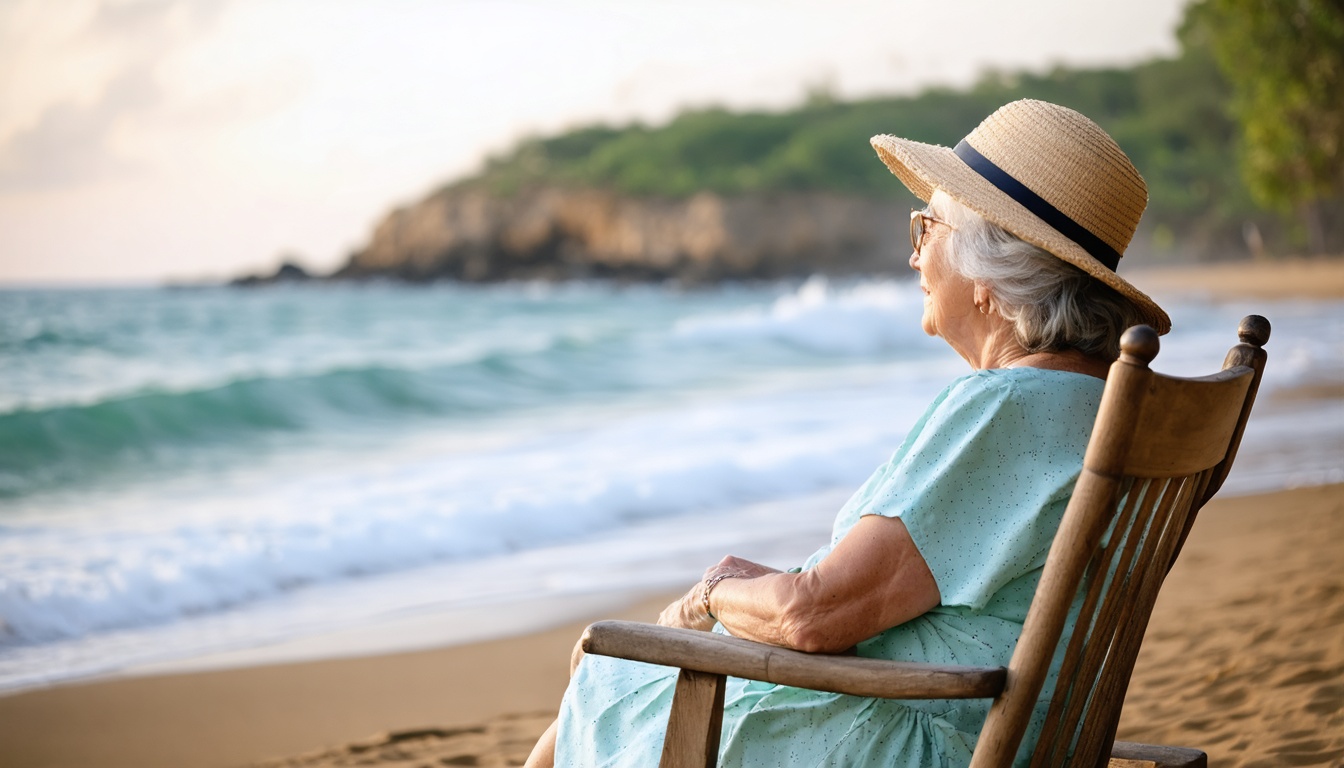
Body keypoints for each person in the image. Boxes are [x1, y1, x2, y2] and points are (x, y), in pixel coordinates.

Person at [525, 99, 1172, 767]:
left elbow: (814, 616)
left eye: (928, 228)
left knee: (605, 661)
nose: (916, 256)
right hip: (1013, 734)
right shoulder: (1098, 404)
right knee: (616, 663)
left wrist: (715, 589)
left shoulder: (1012, 407)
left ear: (987, 274)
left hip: (916, 737)